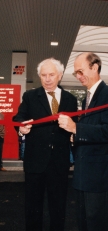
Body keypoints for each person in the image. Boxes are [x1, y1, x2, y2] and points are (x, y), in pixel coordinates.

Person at [13, 58, 77, 231]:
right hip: (36, 161)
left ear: (60, 76)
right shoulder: (30, 96)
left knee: (59, 207)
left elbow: (75, 125)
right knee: (33, 207)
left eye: (51, 75)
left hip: (60, 162)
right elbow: (18, 118)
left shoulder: (70, 99)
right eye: (43, 75)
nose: (47, 79)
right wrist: (22, 128)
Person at [58, 52, 108, 231]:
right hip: (83, 175)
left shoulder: (106, 94)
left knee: (96, 222)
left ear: (95, 67)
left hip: (98, 176)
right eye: (75, 73)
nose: (78, 76)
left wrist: (76, 129)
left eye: (80, 71)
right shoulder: (87, 97)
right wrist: (75, 135)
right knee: (83, 222)